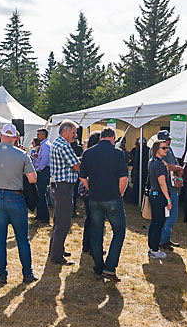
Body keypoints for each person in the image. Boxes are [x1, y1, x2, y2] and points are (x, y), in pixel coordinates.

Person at [0, 123, 38, 285]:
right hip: (15, 197)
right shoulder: (22, 155)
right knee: (22, 239)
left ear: (1, 136)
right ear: (15, 138)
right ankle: (27, 274)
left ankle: (2, 275)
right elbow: (32, 179)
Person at [80, 127, 129, 280]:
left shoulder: (88, 153)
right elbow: (123, 179)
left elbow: (82, 177)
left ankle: (98, 267)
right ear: (113, 138)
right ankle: (109, 267)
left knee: (96, 232)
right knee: (119, 232)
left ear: (101, 137)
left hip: (94, 198)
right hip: (113, 197)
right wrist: (119, 194)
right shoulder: (117, 153)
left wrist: (91, 188)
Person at [46, 120, 81, 265]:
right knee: (64, 222)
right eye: (73, 132)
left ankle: (55, 249)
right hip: (63, 188)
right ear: (65, 131)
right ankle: (56, 255)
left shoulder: (57, 143)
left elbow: (71, 162)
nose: (75, 135)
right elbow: (76, 166)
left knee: (58, 220)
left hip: (58, 187)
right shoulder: (65, 146)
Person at [146, 138, 173, 260]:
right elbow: (162, 183)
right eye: (163, 148)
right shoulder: (159, 164)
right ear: (156, 149)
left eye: (167, 147)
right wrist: (168, 200)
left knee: (155, 222)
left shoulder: (152, 161)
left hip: (154, 194)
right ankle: (154, 249)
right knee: (158, 223)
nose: (166, 149)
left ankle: (152, 247)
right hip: (159, 196)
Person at [32, 127, 52, 224]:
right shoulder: (45, 145)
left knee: (42, 194)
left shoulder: (45, 146)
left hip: (43, 171)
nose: (37, 136)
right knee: (40, 194)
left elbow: (45, 158)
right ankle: (40, 215)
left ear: (44, 135)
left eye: (39, 134)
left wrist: (39, 168)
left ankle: (44, 217)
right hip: (44, 170)